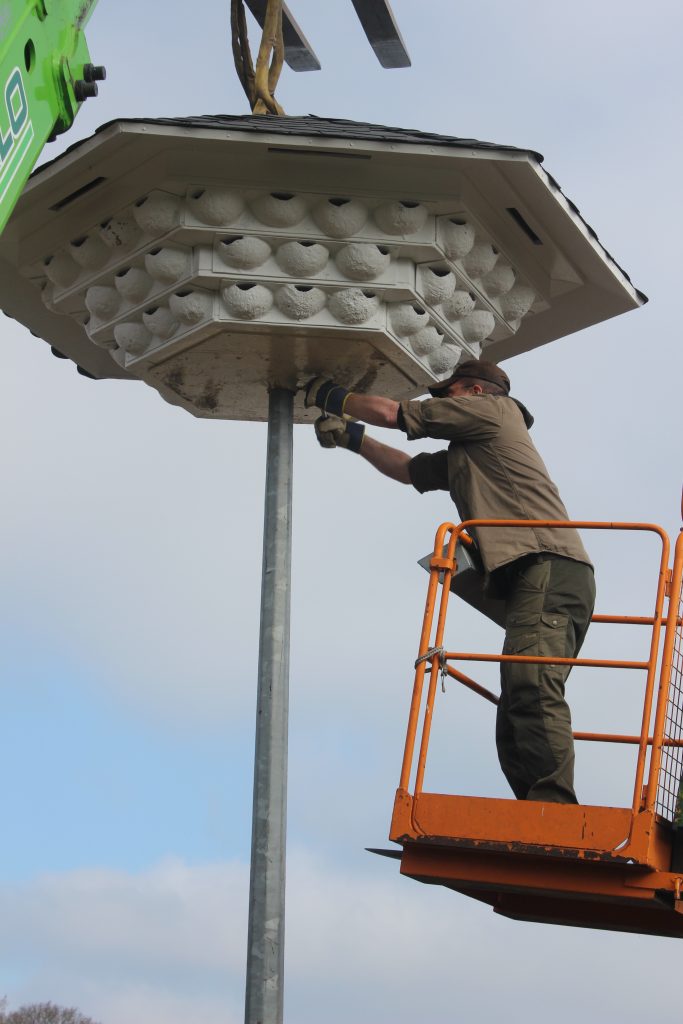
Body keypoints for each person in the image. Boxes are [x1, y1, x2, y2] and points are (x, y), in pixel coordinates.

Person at [305, 360, 595, 804]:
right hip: (536, 578)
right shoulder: (473, 450)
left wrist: (329, 395)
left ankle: (555, 810)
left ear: (475, 392)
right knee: (517, 705)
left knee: (532, 686)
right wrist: (352, 439)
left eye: (449, 394)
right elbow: (408, 470)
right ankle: (535, 812)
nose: (441, 403)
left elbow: (394, 414)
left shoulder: (495, 411)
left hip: (549, 568)